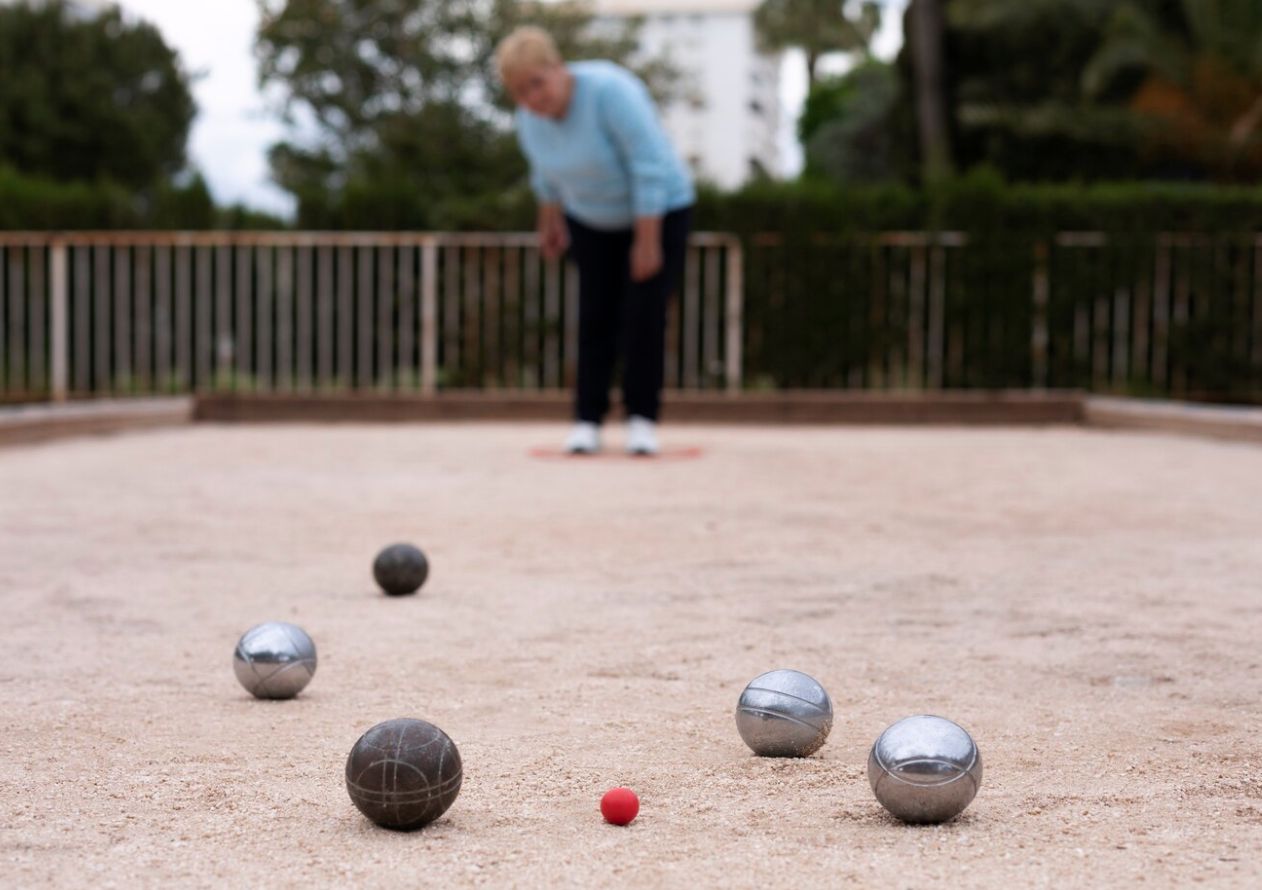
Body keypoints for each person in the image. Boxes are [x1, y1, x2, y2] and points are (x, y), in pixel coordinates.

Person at [496, 26, 695, 456]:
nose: (533, 98)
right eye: (520, 92)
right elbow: (545, 174)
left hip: (658, 210)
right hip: (589, 218)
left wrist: (647, 241)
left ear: (558, 67)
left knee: (643, 316)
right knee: (594, 316)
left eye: (537, 83)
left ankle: (642, 420)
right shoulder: (530, 121)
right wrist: (549, 223)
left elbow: (648, 166)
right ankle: (587, 419)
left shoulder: (610, 91)